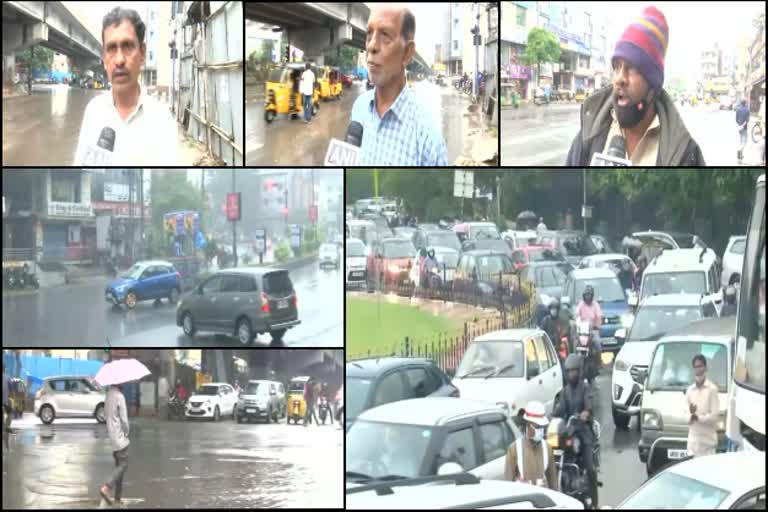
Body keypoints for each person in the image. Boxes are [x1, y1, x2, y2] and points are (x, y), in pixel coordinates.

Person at [565, 7, 705, 166]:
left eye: (631, 68)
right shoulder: (589, 134)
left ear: (653, 84)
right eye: (617, 67)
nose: (619, 79)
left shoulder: (684, 153)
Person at [74, 7, 178, 166]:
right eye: (111, 48)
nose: (119, 60)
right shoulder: (93, 112)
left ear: (142, 53)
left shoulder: (162, 121)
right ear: (104, 58)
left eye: (127, 46)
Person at [349, 4, 448, 165]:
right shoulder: (359, 107)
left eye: (385, 35)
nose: (372, 46)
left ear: (407, 53)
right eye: (369, 34)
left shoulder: (428, 140)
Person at [553, 354, 598, 507]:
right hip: (570, 430)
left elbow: (589, 405)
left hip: (583, 430)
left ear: (579, 371)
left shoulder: (585, 388)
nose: (571, 374)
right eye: (569, 371)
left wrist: (586, 413)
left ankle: (595, 501)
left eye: (574, 371)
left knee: (591, 468)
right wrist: (554, 412)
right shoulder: (565, 391)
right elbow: (560, 409)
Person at [504, 401, 558, 490]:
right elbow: (508, 485)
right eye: (537, 426)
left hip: (542, 500)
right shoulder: (514, 449)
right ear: (528, 425)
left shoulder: (547, 448)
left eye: (542, 427)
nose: (541, 430)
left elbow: (554, 484)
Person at [99, 383, 130, 506]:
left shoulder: (108, 396)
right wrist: (127, 432)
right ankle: (106, 488)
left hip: (112, 437)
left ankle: (118, 497)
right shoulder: (119, 396)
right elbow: (124, 419)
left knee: (119, 466)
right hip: (120, 437)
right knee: (124, 465)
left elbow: (106, 416)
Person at [685, 354, 720, 458]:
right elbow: (685, 414)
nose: (698, 369)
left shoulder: (712, 389)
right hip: (693, 445)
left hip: (707, 446)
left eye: (700, 366)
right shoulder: (690, 391)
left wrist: (699, 418)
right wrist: (691, 415)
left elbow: (714, 416)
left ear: (705, 367)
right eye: (696, 367)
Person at [539, 298, 570, 383]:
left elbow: (566, 332)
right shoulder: (545, 321)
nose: (553, 311)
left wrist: (561, 342)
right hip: (548, 350)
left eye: (555, 309)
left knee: (565, 365)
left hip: (559, 349)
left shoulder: (561, 321)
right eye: (552, 309)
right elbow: (541, 334)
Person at [574, 285, 603, 371]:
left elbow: (599, 316)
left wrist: (597, 325)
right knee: (575, 343)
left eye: (589, 295)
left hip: (593, 330)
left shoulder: (596, 305)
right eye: (586, 295)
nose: (588, 297)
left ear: (592, 295)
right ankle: (575, 362)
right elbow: (577, 315)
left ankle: (598, 362)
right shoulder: (581, 304)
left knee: (597, 343)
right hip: (582, 331)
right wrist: (576, 322)